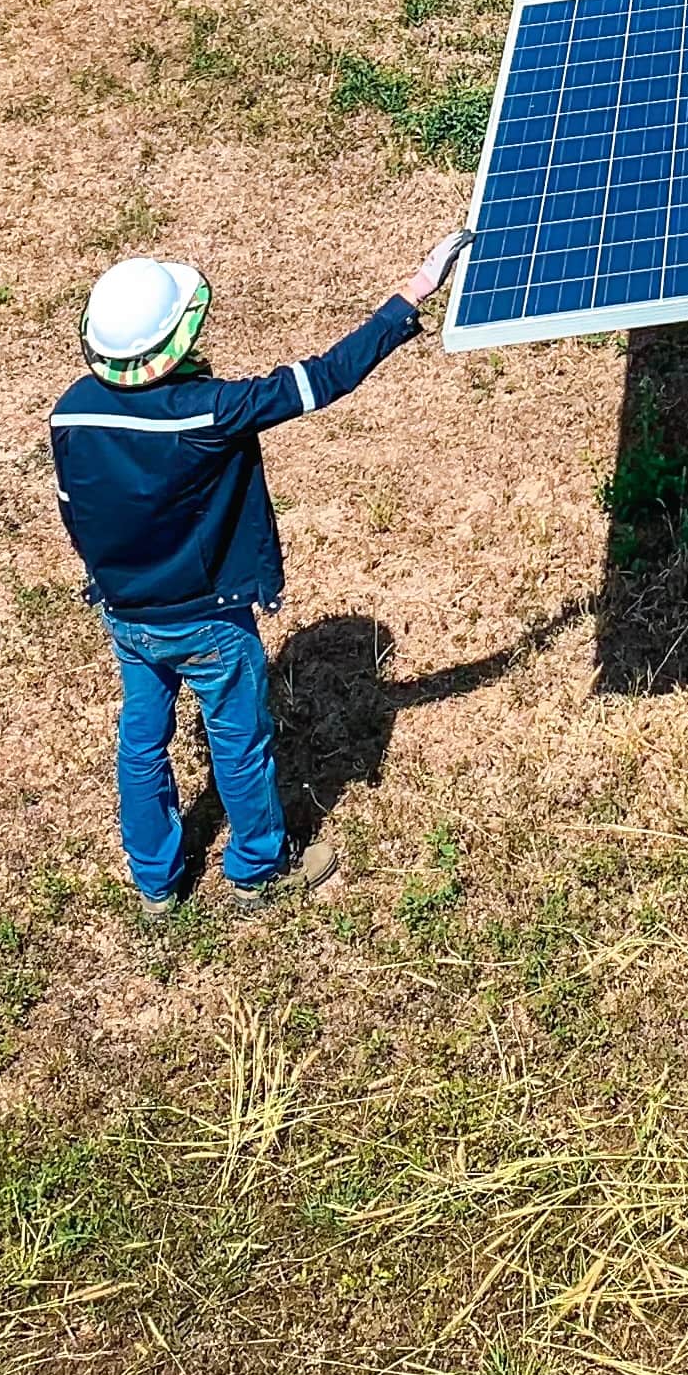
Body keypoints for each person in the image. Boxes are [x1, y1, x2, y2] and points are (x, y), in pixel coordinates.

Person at [51, 236, 460, 909]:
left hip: (127, 614)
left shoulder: (70, 410)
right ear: (179, 339)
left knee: (142, 740)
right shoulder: (210, 411)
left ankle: (155, 880)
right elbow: (323, 378)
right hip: (209, 618)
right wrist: (412, 292)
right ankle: (257, 868)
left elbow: (76, 511)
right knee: (239, 741)